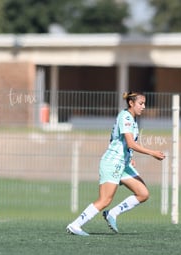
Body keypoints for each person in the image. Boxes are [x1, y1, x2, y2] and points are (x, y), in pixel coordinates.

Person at [66, 91, 166, 236]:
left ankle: (112, 213)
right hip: (113, 163)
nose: (143, 107)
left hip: (123, 164)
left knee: (143, 193)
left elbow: (120, 141)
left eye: (144, 103)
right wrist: (153, 153)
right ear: (131, 103)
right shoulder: (125, 117)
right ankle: (75, 225)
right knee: (105, 199)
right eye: (141, 103)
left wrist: (129, 156)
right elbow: (131, 143)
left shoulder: (132, 119)